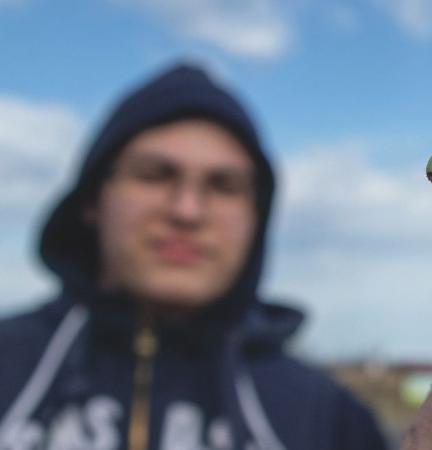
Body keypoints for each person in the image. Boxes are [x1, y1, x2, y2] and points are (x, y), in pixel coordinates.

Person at [0, 64, 388, 450]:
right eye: (154, 175)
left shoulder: (329, 419)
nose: (187, 211)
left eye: (224, 186)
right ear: (92, 200)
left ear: (256, 216)